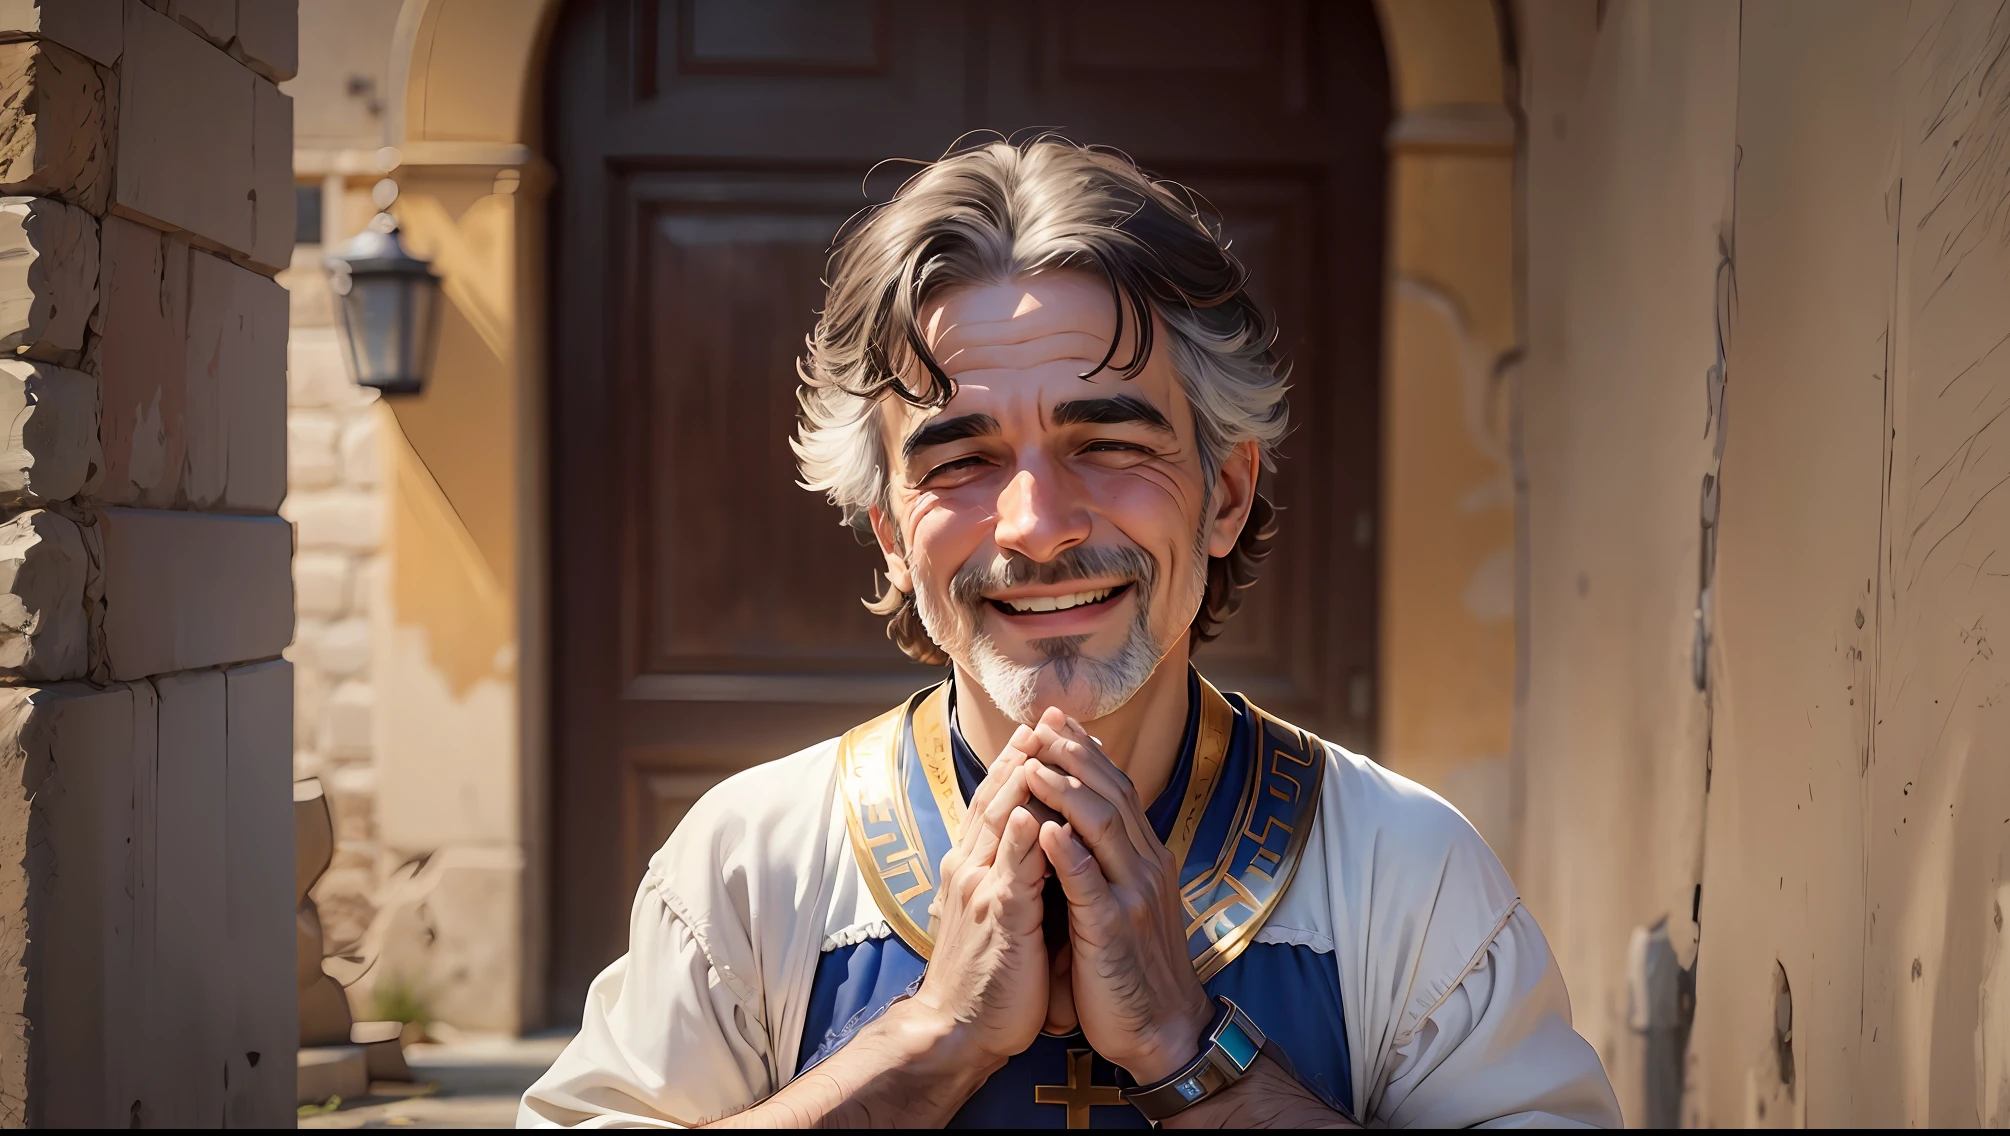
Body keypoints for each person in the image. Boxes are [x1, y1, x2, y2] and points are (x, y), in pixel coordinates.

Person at [519, 136, 1620, 1129]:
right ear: (893, 533)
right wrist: (926, 1039)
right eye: (959, 460)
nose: (1036, 528)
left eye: (1106, 441)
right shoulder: (751, 868)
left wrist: (1192, 1052)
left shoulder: (1404, 871)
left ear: (1225, 493)